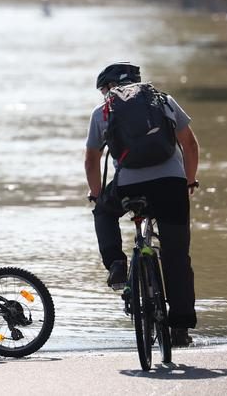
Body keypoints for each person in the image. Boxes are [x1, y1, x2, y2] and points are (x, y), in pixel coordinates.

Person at [85, 62, 199, 347]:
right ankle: (181, 329)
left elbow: (92, 159)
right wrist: (189, 181)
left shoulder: (103, 112)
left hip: (129, 185)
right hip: (171, 185)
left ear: (106, 88)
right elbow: (190, 144)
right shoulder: (163, 101)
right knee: (177, 259)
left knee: (103, 212)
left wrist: (97, 195)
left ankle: (116, 263)